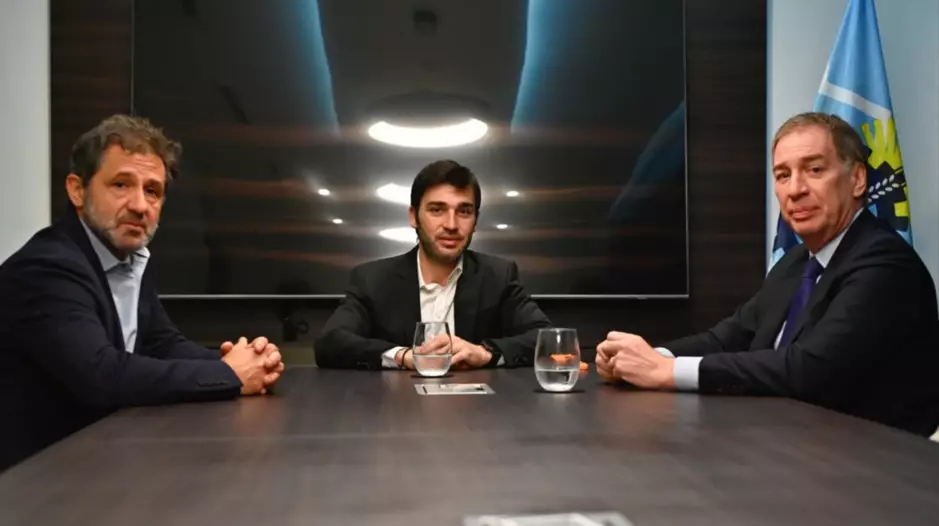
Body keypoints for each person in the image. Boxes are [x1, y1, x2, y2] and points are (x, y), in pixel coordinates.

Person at [595, 112, 939, 436]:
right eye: (783, 175)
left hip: (876, 459)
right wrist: (645, 359)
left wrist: (666, 372)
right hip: (795, 442)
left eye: (814, 170)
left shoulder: (886, 263)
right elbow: (727, 338)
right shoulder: (796, 262)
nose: (795, 189)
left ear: (858, 179)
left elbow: (809, 369)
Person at [0, 115, 285, 470]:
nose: (139, 205)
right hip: (34, 476)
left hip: (100, 458)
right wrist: (230, 376)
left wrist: (246, 363)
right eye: (121, 185)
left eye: (152, 191)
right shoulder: (46, 268)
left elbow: (161, 343)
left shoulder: (131, 256)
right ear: (77, 190)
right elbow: (102, 376)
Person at [315, 160, 552, 370]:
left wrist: (484, 353)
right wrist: (403, 356)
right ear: (413, 216)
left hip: (478, 405)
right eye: (437, 210)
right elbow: (330, 342)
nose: (451, 225)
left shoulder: (498, 276)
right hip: (395, 402)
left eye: (464, 211)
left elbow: (547, 339)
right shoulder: (371, 279)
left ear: (475, 220)